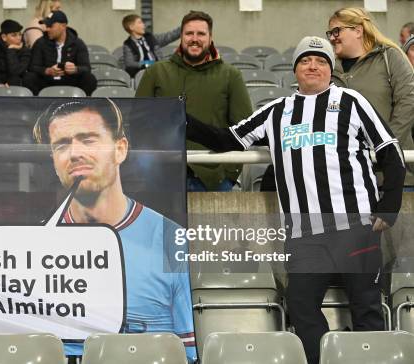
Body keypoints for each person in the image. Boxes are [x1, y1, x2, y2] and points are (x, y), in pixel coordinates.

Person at [185, 36, 406, 364]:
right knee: (301, 307)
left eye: (321, 60)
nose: (313, 65)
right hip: (305, 236)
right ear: (296, 70)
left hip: (356, 228)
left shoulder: (351, 102)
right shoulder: (277, 111)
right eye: (306, 60)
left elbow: (391, 152)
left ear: (330, 70)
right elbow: (227, 138)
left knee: (367, 309)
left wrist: (388, 208)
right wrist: (181, 119)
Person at [33, 98, 196, 364]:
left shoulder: (171, 239)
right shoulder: (31, 245)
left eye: (88, 140)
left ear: (120, 149)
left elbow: (187, 351)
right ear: (53, 160)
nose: (74, 153)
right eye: (62, 144)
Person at [135, 10, 252, 191]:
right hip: (163, 176)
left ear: (210, 38)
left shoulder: (230, 75)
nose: (194, 38)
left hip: (213, 178)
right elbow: (138, 122)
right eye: (189, 33)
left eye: (201, 34)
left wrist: (228, 173)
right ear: (181, 37)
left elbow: (243, 127)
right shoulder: (155, 73)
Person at [328, 8, 414, 181]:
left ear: (358, 31)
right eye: (329, 33)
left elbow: (407, 103)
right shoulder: (327, 67)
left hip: (390, 171)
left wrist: (386, 147)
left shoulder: (390, 57)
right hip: (346, 175)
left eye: (336, 31)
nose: (331, 38)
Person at [24, 10, 97, 96]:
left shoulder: (77, 43)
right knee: (29, 78)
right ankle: (38, 106)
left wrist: (75, 69)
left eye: (51, 26)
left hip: (70, 80)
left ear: (63, 26)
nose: (47, 29)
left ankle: (80, 105)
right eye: (47, 26)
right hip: (47, 80)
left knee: (89, 78)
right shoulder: (40, 43)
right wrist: (47, 71)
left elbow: (86, 68)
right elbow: (32, 67)